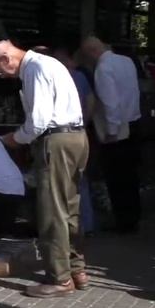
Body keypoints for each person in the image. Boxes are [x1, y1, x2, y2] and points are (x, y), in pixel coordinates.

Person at [0, 40, 89, 298]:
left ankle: (59, 278)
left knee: (52, 211)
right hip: (77, 137)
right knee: (70, 208)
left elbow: (39, 121)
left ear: (6, 59)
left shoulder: (33, 69)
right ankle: (77, 270)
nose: (4, 76)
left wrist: (15, 138)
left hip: (56, 142)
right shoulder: (50, 63)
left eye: (0, 71)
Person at [81, 36, 141, 233]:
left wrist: (112, 132)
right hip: (134, 122)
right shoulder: (127, 61)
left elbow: (110, 102)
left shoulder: (103, 68)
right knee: (131, 176)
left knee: (117, 178)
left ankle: (123, 222)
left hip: (117, 130)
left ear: (91, 52)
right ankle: (133, 218)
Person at [54, 48, 96, 235]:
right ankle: (86, 224)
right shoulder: (80, 77)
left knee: (63, 183)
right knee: (81, 180)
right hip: (80, 132)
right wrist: (84, 122)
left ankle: (69, 228)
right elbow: (91, 101)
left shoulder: (56, 78)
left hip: (61, 133)